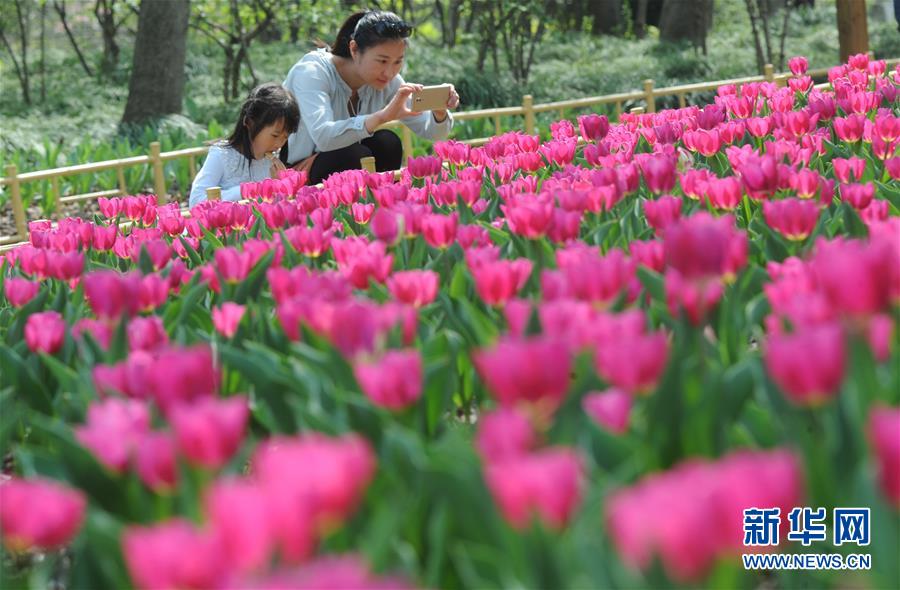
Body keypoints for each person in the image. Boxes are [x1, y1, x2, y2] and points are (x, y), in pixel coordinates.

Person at [282, 10, 459, 184]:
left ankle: (382, 204)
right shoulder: (312, 72)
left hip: (336, 157)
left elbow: (433, 132)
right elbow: (324, 136)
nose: (389, 72)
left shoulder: (389, 81)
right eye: (382, 61)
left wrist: (439, 110)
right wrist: (382, 116)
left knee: (387, 142)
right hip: (294, 171)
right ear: (354, 49)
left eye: (398, 61)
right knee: (355, 156)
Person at [189, 83, 300, 207]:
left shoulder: (272, 164)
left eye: (285, 137)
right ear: (250, 122)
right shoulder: (221, 155)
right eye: (274, 135)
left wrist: (280, 185)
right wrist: (245, 191)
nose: (279, 144)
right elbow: (196, 201)